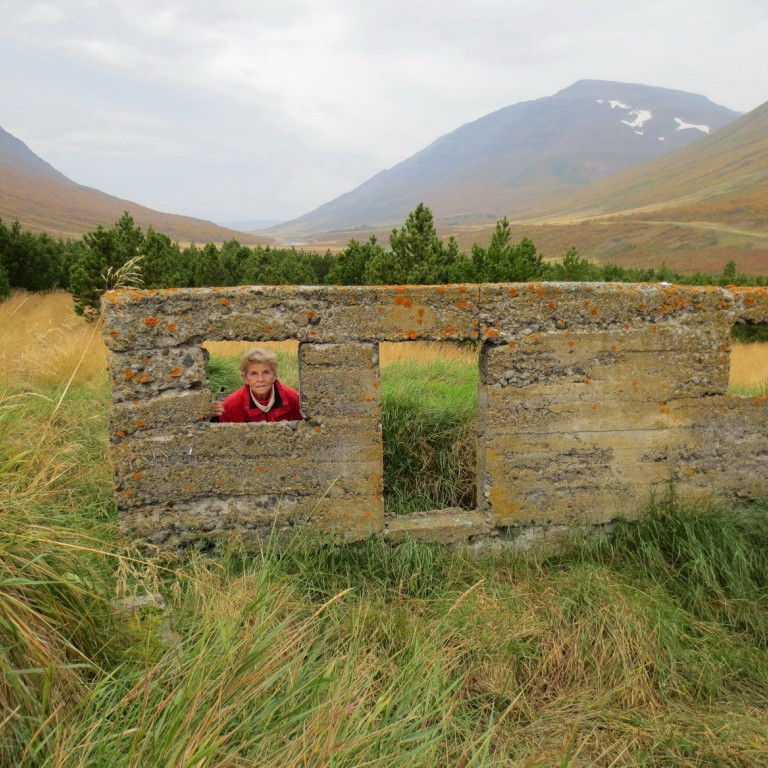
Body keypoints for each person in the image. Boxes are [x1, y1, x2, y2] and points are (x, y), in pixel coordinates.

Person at [211, 348, 302, 423]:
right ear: (245, 378)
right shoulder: (231, 405)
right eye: (254, 374)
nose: (260, 379)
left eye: (266, 372)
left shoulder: (294, 399)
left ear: (274, 375)